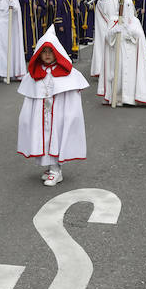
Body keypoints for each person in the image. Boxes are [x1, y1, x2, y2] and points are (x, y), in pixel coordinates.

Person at [17, 26, 89, 187]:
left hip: (58, 115)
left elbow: (72, 97)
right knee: (44, 138)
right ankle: (51, 167)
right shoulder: (34, 74)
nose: (48, 55)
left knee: (56, 137)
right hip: (42, 115)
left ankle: (56, 170)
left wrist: (67, 115)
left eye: (50, 51)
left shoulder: (68, 74)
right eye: (44, 51)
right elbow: (30, 99)